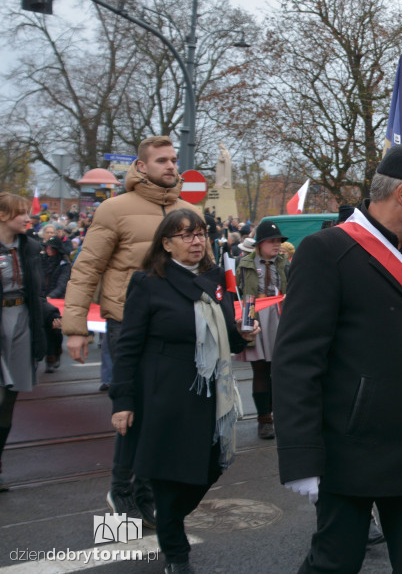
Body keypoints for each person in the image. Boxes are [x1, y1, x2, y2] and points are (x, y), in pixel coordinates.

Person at [273, 145, 402, 573]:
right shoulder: (326, 252)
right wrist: (301, 456)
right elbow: (298, 362)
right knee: (333, 565)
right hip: (350, 453)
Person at [110, 209, 257, 574]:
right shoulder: (148, 282)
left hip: (210, 396)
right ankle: (177, 555)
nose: (196, 241)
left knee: (211, 467)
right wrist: (123, 401)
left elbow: (223, 334)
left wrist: (242, 336)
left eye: (200, 233)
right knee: (167, 475)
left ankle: (168, 516)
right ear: (167, 243)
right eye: (186, 235)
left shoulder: (213, 279)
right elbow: (127, 346)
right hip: (163, 396)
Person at [62, 136, 195, 527]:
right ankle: (121, 491)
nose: (171, 166)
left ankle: (147, 492)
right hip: (127, 324)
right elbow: (87, 268)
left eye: (174, 160)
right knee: (131, 409)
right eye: (162, 160)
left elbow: (200, 271)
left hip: (176, 328)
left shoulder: (188, 210)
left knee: (164, 412)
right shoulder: (114, 209)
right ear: (141, 166)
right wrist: (75, 328)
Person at [0, 193, 47, 491]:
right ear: (3, 216)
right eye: (20, 213)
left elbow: (37, 292)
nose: (27, 218)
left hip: (22, 321)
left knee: (11, 396)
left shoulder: (30, 247)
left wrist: (52, 315)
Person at [235, 220, 289, 440]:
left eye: (278, 241)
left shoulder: (284, 263)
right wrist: (243, 323)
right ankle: (264, 419)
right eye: (272, 241)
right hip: (253, 313)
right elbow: (239, 293)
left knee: (280, 370)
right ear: (260, 243)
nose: (276, 245)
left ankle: (280, 416)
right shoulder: (245, 264)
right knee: (259, 370)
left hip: (280, 315)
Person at [40, 237, 71, 372]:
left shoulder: (64, 265)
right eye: (47, 247)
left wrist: (51, 296)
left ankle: (56, 352)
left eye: (51, 248)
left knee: (55, 330)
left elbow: (63, 283)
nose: (48, 250)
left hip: (57, 301)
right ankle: (49, 357)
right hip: (43, 301)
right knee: (45, 330)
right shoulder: (42, 262)